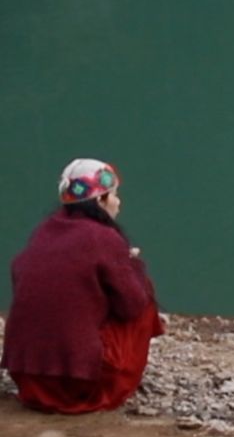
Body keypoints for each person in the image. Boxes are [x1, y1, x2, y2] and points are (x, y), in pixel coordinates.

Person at [4, 159, 165, 414]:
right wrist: (131, 264)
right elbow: (132, 306)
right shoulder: (103, 238)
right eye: (114, 195)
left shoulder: (43, 232)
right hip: (79, 388)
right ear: (100, 201)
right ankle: (119, 375)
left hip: (28, 381)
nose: (118, 202)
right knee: (143, 292)